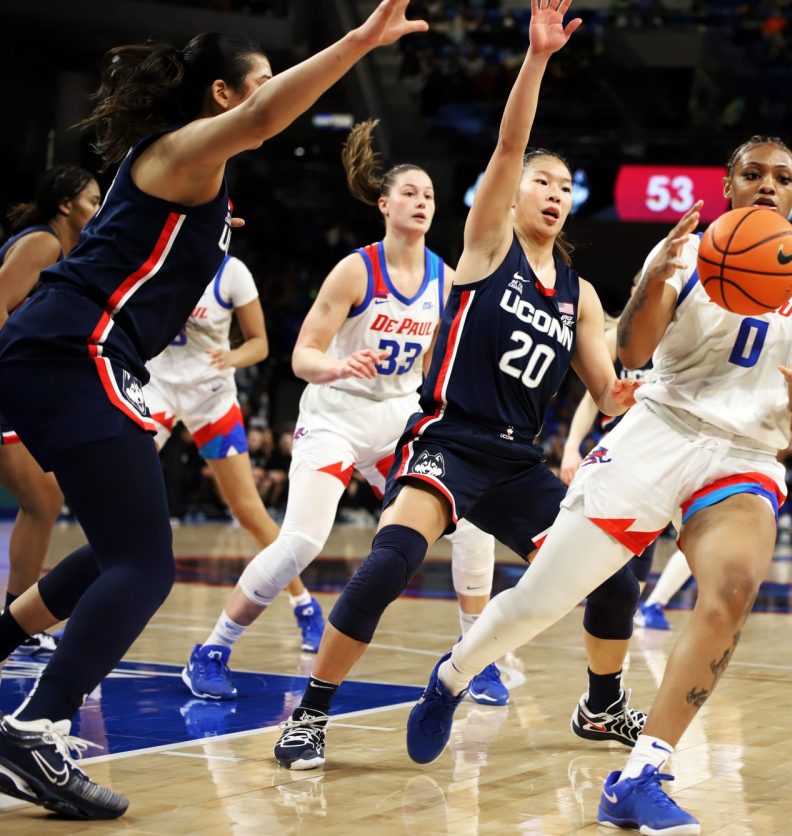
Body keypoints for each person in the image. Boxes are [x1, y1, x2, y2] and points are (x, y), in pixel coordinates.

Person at [0, 2, 430, 818]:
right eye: (262, 82)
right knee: (147, 564)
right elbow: (268, 118)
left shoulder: (188, 164)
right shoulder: (182, 150)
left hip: (73, 351)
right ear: (224, 94)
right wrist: (360, 40)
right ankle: (37, 726)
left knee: (115, 550)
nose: (276, 97)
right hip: (75, 346)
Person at [407, 133, 792, 834]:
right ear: (727, 184)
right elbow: (632, 352)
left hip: (745, 454)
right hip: (660, 430)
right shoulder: (683, 251)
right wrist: (658, 276)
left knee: (732, 589)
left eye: (783, 177)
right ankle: (453, 674)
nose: (768, 185)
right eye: (753, 173)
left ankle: (641, 773)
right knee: (538, 602)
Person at [271, 0, 640, 772]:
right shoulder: (486, 243)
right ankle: (310, 715)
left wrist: (636, 384)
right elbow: (510, 139)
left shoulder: (581, 295)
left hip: (516, 462)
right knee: (387, 566)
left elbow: (605, 394)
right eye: (541, 180)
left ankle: (601, 706)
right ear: (509, 194)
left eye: (565, 187)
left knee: (615, 577)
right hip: (447, 440)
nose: (553, 193)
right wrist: (537, 58)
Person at [180, 119, 503, 705]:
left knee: (471, 526)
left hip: (398, 420)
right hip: (335, 414)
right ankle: (212, 648)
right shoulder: (357, 269)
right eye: (410, 192)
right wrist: (337, 366)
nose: (422, 202)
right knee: (302, 540)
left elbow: (440, 364)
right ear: (384, 204)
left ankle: (474, 657)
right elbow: (302, 356)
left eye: (430, 195)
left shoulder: (446, 277)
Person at [145, 253, 324, 659]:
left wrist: (232, 357)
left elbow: (259, 344)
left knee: (248, 510)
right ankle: (87, 611)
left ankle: (305, 605)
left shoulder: (233, 272)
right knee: (117, 497)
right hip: (157, 388)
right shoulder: (155, 258)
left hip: (211, 394)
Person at [0, 166, 100, 654]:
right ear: (66, 204)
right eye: (92, 201)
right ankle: (17, 619)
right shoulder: (42, 243)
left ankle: (17, 618)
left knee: (43, 500)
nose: (99, 210)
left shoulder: (63, 251)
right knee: (42, 500)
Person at [558, 294, 691, 633]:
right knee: (589, 540)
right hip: (620, 452)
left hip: (666, 453)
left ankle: (643, 611)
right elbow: (591, 401)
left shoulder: (681, 336)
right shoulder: (618, 338)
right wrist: (572, 447)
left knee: (687, 540)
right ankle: (545, 599)